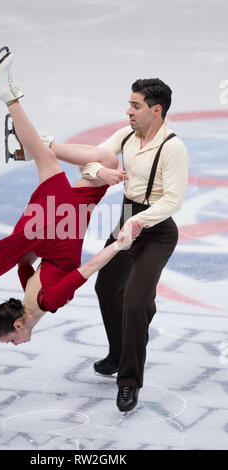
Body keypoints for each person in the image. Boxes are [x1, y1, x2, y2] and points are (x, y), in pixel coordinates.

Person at [0, 49, 143, 358]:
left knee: (45, 160)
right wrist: (37, 240)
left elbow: (87, 269)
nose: (15, 345)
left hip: (61, 230)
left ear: (18, 326)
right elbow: (24, 263)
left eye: (10, 340)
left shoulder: (48, 302)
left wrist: (118, 246)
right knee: (106, 160)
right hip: (62, 230)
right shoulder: (28, 295)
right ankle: (37, 145)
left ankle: (7, 95)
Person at [75, 78, 190, 412]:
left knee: (135, 303)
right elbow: (89, 160)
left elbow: (172, 200)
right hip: (128, 216)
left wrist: (138, 223)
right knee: (106, 288)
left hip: (156, 229)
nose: (128, 111)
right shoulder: (125, 135)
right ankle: (117, 351)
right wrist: (101, 171)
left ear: (156, 110)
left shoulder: (172, 148)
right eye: (129, 104)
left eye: (136, 106)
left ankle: (128, 382)